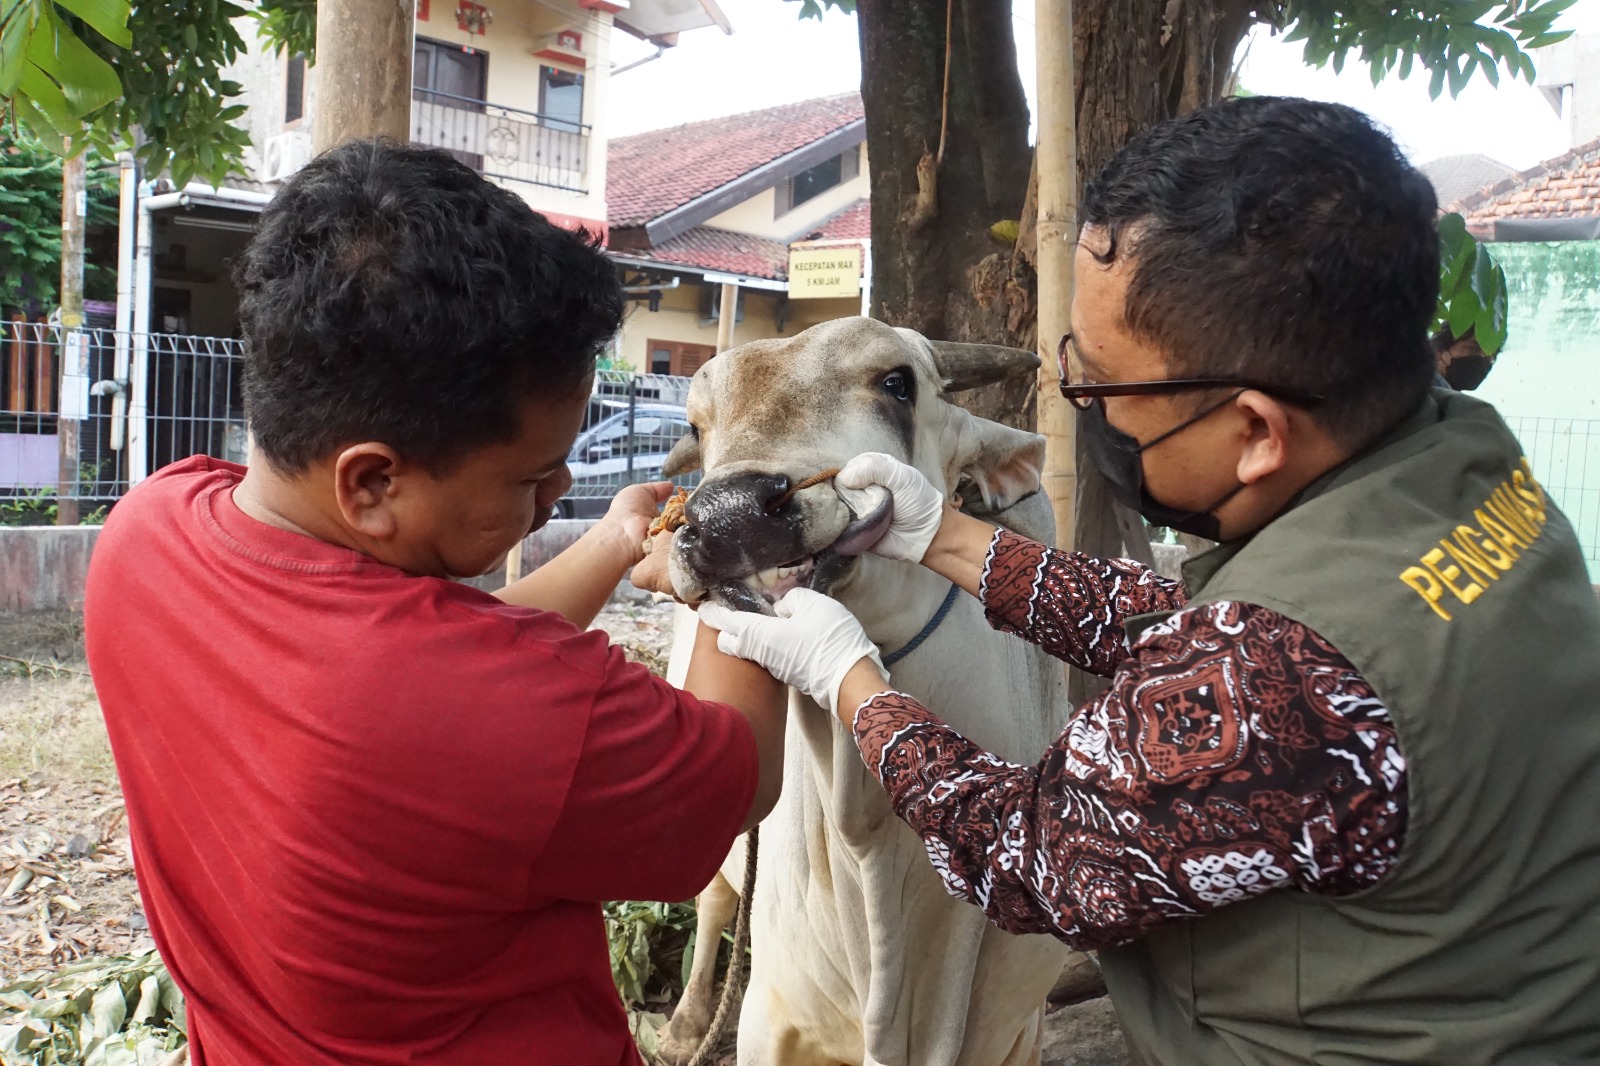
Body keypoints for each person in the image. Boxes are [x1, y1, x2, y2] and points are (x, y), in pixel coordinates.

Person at [699, 97, 1600, 1065]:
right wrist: (949, 539)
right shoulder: (1467, 471)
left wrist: (850, 679)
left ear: (1255, 432)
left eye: (1100, 391)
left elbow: (1025, 853)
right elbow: (1206, 623)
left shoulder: (1278, 681)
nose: (1087, 412)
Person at [83, 140, 785, 1065]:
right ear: (372, 484)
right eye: (533, 475)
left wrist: (617, 542)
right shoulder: (523, 715)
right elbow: (742, 774)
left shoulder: (146, 531)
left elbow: (445, 663)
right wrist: (739, 548)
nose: (557, 491)